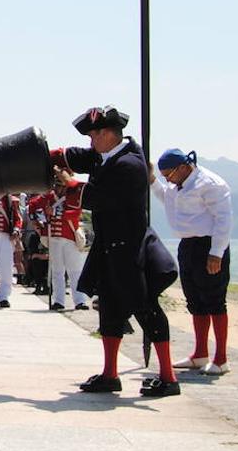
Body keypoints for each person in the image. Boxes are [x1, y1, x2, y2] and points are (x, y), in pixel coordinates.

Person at [53, 105, 179, 397]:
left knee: (145, 307)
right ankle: (110, 374)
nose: (91, 141)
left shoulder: (130, 165)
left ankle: (169, 377)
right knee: (109, 309)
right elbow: (78, 156)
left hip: (129, 247)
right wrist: (52, 156)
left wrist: (71, 184)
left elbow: (103, 198)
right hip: (110, 244)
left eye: (94, 135)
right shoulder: (107, 155)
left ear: (108, 134)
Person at [152, 148, 234, 375]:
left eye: (169, 175)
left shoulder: (210, 184)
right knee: (195, 299)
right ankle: (199, 354)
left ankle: (221, 358)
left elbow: (223, 219)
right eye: (164, 176)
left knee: (214, 299)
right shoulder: (177, 184)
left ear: (183, 167)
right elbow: (166, 197)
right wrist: (152, 181)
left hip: (209, 244)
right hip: (187, 244)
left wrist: (217, 252)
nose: (168, 180)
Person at [27, 169, 90, 311]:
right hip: (53, 237)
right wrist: (37, 221)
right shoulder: (48, 197)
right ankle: (59, 301)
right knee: (57, 271)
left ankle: (80, 301)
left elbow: (74, 213)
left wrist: (54, 212)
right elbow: (32, 205)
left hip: (70, 237)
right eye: (57, 185)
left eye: (61, 185)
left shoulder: (73, 196)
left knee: (74, 270)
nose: (58, 188)